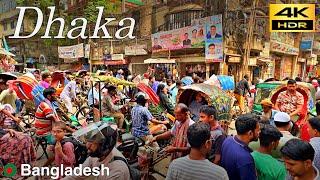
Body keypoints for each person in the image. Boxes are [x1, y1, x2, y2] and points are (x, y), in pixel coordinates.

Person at [63, 122, 130, 180]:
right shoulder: (96, 155)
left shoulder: (117, 170)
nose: (87, 146)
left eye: (92, 143)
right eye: (88, 142)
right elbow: (78, 173)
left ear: (104, 145)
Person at [221, 113, 260, 180]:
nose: (260, 132)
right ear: (250, 133)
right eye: (258, 130)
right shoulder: (245, 158)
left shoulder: (228, 140)